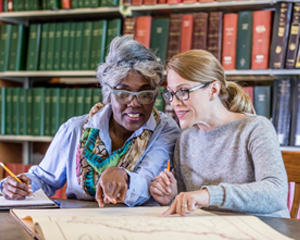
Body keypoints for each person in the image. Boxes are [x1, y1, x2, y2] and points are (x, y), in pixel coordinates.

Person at [0, 36, 180, 207]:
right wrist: (20, 185)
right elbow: (44, 180)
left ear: (155, 96)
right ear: (109, 95)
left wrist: (123, 176)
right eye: (123, 93)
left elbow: (149, 182)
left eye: (145, 94)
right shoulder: (75, 129)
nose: (134, 103)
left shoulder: (165, 130)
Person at [149, 50, 290, 218]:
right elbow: (192, 206)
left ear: (213, 90)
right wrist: (172, 198)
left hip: (264, 229)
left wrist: (209, 195)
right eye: (171, 93)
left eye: (183, 91)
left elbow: (276, 194)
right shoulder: (185, 139)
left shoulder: (256, 128)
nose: (174, 102)